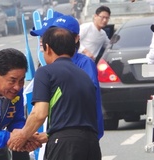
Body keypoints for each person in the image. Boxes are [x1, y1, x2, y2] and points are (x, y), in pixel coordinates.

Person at [8, 27, 102, 160]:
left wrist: (22, 136)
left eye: (42, 48)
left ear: (48, 48)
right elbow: (76, 119)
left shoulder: (46, 72)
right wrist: (46, 136)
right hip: (91, 145)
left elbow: (39, 113)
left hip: (64, 146)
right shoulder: (83, 75)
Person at [30, 12, 104, 140]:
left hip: (78, 135)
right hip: (56, 135)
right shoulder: (45, 67)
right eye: (43, 36)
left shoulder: (84, 63)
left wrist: (22, 136)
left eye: (50, 36)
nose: (43, 40)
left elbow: (81, 104)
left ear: (75, 39)